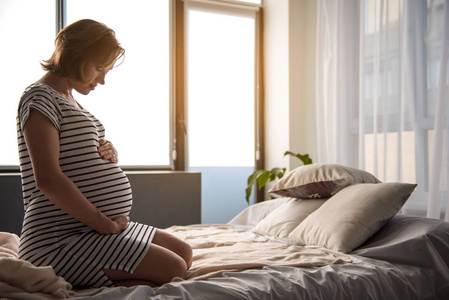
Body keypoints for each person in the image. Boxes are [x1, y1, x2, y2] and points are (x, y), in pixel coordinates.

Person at [16, 19, 192, 288]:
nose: (103, 80)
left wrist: (105, 149)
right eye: (99, 68)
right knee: (173, 268)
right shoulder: (40, 97)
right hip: (59, 238)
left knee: (184, 252)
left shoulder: (70, 100)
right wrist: (102, 224)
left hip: (89, 229)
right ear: (75, 56)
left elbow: (74, 154)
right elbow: (48, 178)